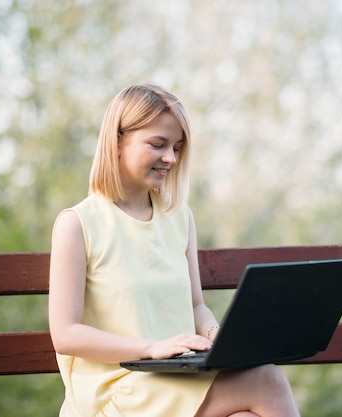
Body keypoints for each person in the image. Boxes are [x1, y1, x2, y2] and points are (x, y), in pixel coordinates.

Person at [48, 83, 300, 417]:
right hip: (116, 392)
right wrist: (151, 348)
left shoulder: (179, 218)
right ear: (118, 140)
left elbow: (197, 306)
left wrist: (220, 341)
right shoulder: (77, 224)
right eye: (158, 144)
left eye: (177, 147)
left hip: (171, 381)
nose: (171, 158)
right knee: (268, 381)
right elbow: (66, 334)